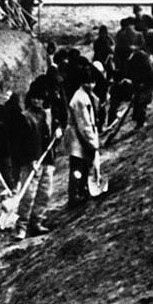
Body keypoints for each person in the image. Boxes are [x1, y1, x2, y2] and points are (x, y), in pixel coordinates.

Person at [13, 78, 61, 239]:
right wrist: (29, 160)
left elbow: (56, 127)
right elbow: (18, 144)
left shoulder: (47, 115)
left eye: (40, 98)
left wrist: (58, 132)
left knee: (44, 193)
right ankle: (21, 226)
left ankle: (36, 223)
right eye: (34, 98)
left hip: (47, 160)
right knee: (28, 195)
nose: (37, 101)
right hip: (31, 163)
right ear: (29, 99)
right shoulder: (24, 117)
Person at [65, 65, 100, 207]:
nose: (90, 85)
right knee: (77, 168)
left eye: (93, 82)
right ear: (82, 83)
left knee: (85, 165)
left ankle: (83, 189)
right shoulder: (79, 99)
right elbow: (84, 125)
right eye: (87, 82)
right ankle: (73, 196)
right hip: (77, 138)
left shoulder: (87, 96)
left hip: (83, 137)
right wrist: (93, 144)